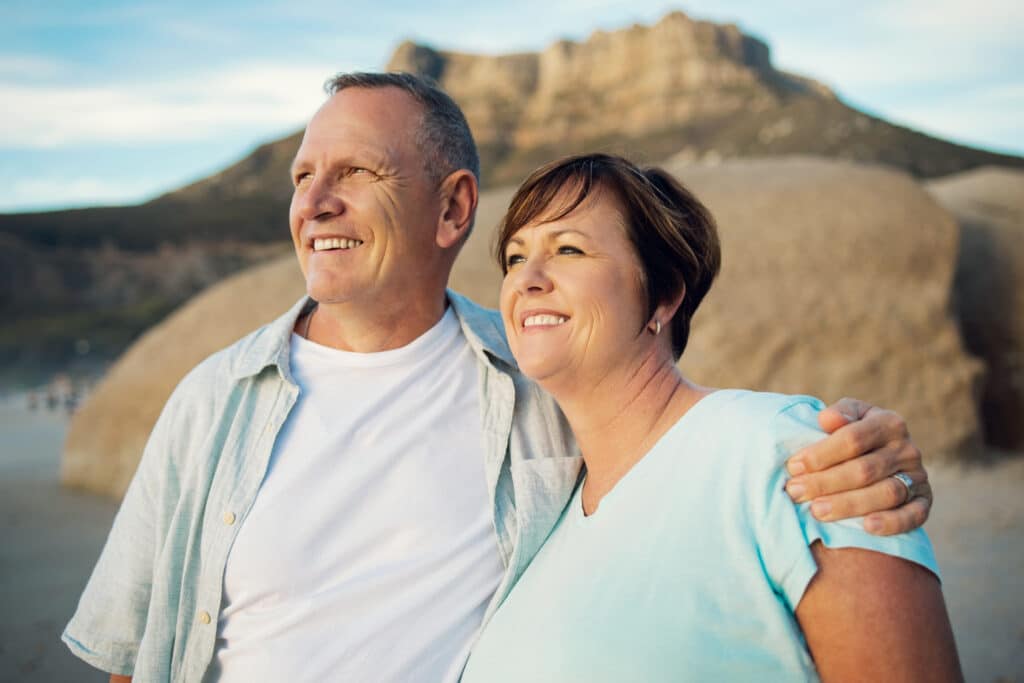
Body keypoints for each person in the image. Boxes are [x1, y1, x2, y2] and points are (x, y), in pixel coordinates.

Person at [63, 73, 934, 683]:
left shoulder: (535, 397)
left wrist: (853, 442)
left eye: (355, 172)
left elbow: (689, 450)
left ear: (451, 208)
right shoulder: (212, 401)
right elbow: (135, 653)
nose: (314, 201)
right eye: (301, 177)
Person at [462, 153, 961, 681]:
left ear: (664, 294)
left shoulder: (785, 452)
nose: (527, 280)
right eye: (515, 258)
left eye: (568, 249)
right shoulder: (541, 520)